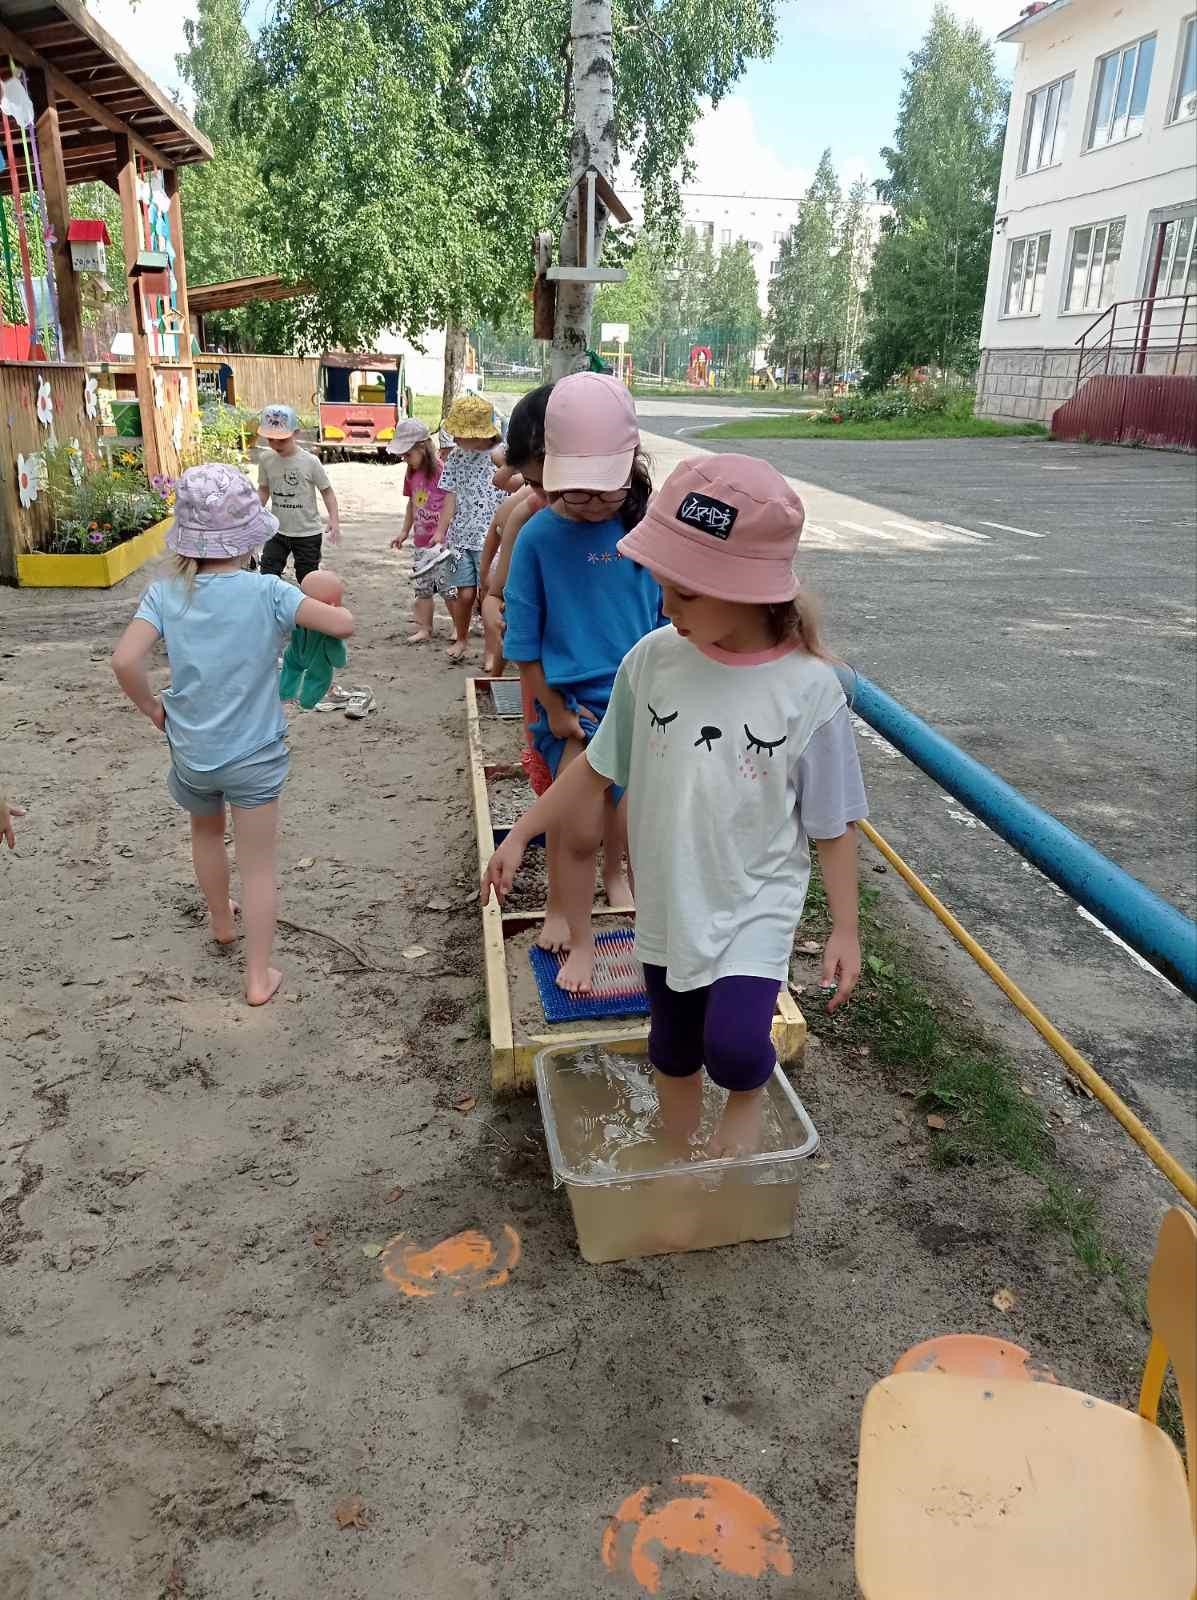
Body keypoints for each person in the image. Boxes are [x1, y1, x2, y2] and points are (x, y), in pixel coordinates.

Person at [483, 454, 866, 1156]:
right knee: (673, 1042)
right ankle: (675, 1140)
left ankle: (745, 1102)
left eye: (683, 594)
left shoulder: (810, 691)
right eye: (661, 588)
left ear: (748, 591)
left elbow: (833, 824)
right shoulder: (653, 659)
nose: (665, 608)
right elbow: (596, 767)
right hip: (668, 898)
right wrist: (518, 835)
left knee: (735, 1043)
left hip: (755, 900)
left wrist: (845, 928)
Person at [111, 464, 355, 1008]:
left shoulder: (165, 593)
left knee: (205, 834)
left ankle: (222, 922)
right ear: (250, 537)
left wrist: (152, 707)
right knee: (259, 866)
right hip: (254, 754)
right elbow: (342, 626)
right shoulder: (268, 591)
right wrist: (323, 595)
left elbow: (124, 660)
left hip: (192, 749)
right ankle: (257, 977)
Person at [501, 373, 659, 972]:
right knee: (578, 831)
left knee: (642, 829)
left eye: (604, 492)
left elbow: (669, 617)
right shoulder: (539, 535)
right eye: (576, 492)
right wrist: (553, 708)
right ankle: (582, 939)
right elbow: (523, 639)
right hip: (576, 710)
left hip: (644, 705)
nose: (592, 504)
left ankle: (650, 935)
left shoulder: (645, 527)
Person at [433, 394, 507, 664]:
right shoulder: (456, 458)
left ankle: (491, 650)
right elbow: (450, 497)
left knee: (489, 594)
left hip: (492, 538)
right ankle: (462, 638)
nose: (455, 438)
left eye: (460, 433)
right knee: (463, 593)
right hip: (460, 538)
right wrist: (441, 530)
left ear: (478, 433)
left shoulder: (501, 456)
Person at [256, 403, 341, 583]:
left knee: (307, 577)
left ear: (296, 433)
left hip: (307, 533)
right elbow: (264, 490)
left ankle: (308, 600)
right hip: (277, 530)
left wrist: (334, 519)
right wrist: (253, 513)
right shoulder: (265, 459)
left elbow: (327, 491)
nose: (276, 444)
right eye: (270, 439)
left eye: (282, 440)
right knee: (268, 573)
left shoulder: (310, 462)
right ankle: (271, 600)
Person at [388, 419, 455, 643]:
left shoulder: (442, 472)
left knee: (448, 587)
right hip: (421, 543)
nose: (404, 459)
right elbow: (411, 504)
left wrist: (441, 531)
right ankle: (425, 628)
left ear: (422, 448)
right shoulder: (411, 474)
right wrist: (404, 532)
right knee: (422, 588)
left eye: (408, 454)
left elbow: (451, 502)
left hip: (443, 543)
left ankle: (458, 627)